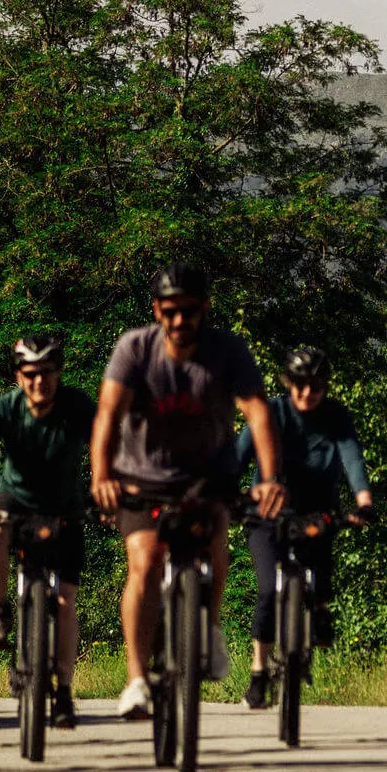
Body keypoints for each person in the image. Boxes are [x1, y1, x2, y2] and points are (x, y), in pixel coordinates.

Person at [91, 263, 287, 721]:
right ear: (158, 310)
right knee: (144, 563)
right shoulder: (134, 350)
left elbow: (258, 413)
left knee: (216, 540)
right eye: (171, 311)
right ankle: (137, 679)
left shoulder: (228, 351)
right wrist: (101, 476)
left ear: (205, 309)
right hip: (142, 475)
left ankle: (210, 629)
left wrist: (271, 477)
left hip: (206, 475)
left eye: (190, 311)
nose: (181, 321)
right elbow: (106, 415)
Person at [0, 335, 96, 729]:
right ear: (19, 376)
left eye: (47, 373)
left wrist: (103, 483)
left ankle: (63, 692)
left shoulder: (77, 405)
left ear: (58, 373)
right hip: (15, 497)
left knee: (65, 601)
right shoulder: (5, 408)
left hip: (65, 505)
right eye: (30, 374)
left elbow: (104, 441)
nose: (38, 382)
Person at [232, 347, 374, 709]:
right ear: (287, 383)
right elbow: (236, 456)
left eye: (315, 386)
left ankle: (321, 608)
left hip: (315, 512)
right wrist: (224, 495)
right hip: (267, 513)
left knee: (322, 568)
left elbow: (351, 455)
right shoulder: (272, 413)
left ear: (325, 387)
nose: (307, 393)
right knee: (267, 591)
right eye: (300, 385)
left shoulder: (335, 416)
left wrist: (363, 500)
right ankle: (259, 672)